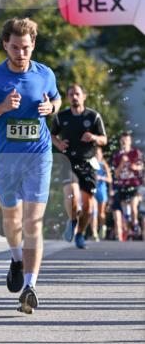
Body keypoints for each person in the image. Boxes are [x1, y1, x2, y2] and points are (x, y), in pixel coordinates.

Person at [0, 17, 61, 314]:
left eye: (25, 47)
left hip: (38, 156)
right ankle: (16, 258)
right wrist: (1, 108)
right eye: (14, 47)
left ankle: (30, 287)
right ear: (5, 46)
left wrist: (51, 108)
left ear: (33, 45)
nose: (20, 53)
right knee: (12, 220)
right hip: (6, 159)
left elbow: (57, 100)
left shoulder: (45, 74)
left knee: (33, 222)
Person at [49, 83, 107, 249]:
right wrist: (59, 144)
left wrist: (94, 137)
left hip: (88, 163)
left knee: (88, 207)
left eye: (77, 94)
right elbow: (51, 134)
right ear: (68, 97)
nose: (74, 97)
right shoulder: (61, 117)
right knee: (72, 196)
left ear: (84, 96)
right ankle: (72, 220)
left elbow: (104, 139)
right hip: (68, 162)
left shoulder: (93, 116)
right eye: (71, 94)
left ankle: (80, 233)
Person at [110, 132, 143, 241]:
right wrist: (121, 164)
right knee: (124, 214)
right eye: (122, 141)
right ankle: (129, 229)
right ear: (120, 142)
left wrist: (135, 167)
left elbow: (141, 167)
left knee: (133, 207)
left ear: (130, 141)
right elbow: (116, 174)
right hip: (122, 186)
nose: (124, 143)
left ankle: (135, 224)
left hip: (134, 185)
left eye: (126, 140)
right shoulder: (117, 155)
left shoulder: (136, 152)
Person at [92, 147, 112, 240]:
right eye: (95, 153)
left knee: (101, 213)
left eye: (98, 153)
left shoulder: (104, 165)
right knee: (94, 212)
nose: (97, 155)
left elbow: (110, 180)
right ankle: (94, 232)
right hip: (93, 190)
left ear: (101, 154)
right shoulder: (91, 164)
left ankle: (103, 227)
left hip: (102, 191)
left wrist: (101, 178)